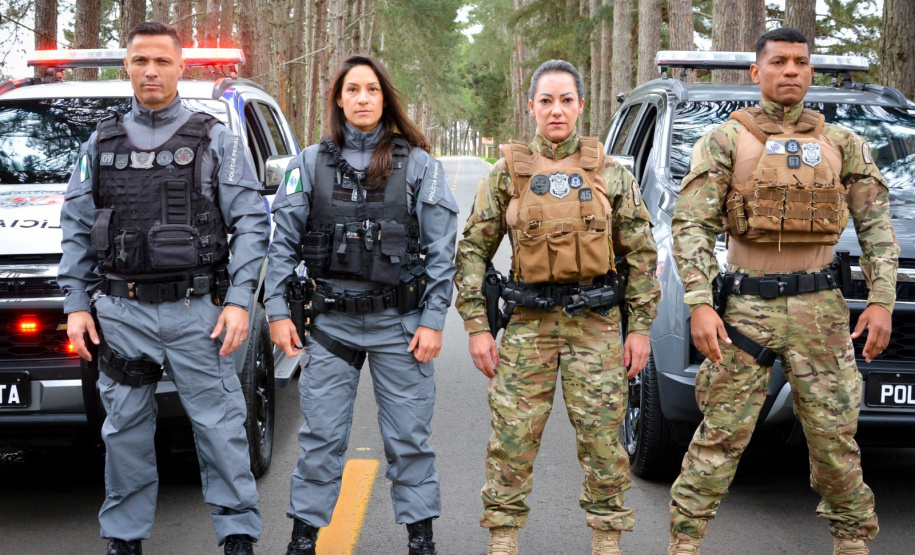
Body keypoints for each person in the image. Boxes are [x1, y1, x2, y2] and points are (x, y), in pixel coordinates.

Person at [667, 28, 899, 555]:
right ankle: (684, 544)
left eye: (800, 61)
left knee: (835, 439)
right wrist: (699, 303)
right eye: (778, 62)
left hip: (822, 312)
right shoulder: (726, 140)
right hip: (745, 311)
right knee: (720, 436)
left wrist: (881, 300)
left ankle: (851, 543)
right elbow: (691, 226)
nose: (790, 70)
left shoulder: (842, 144)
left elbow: (877, 229)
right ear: (757, 72)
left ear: (810, 71)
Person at [59, 22, 267, 555]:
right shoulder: (99, 143)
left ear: (179, 67)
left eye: (162, 61)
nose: (151, 71)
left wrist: (240, 300)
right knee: (124, 431)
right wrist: (77, 303)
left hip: (198, 312)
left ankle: (237, 535)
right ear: (127, 67)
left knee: (220, 428)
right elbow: (77, 228)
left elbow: (251, 224)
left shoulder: (216, 139)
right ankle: (125, 538)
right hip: (122, 313)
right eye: (140, 61)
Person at [454, 59, 661, 555]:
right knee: (512, 438)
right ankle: (503, 538)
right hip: (528, 326)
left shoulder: (610, 173)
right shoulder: (507, 174)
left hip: (596, 325)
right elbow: (473, 251)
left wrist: (640, 329)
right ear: (531, 107)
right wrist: (477, 327)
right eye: (546, 101)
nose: (556, 110)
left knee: (603, 440)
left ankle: (606, 539)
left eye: (566, 100)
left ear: (580, 106)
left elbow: (641, 255)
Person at [264, 54, 458, 555]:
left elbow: (442, 253)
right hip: (332, 326)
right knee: (321, 441)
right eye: (353, 90)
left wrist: (434, 319)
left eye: (372, 89)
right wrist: (277, 311)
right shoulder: (309, 163)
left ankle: (421, 541)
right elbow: (282, 245)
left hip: (400, 325)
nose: (363, 99)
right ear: (339, 99)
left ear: (385, 98)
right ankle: (302, 540)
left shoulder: (419, 165)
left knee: (409, 441)